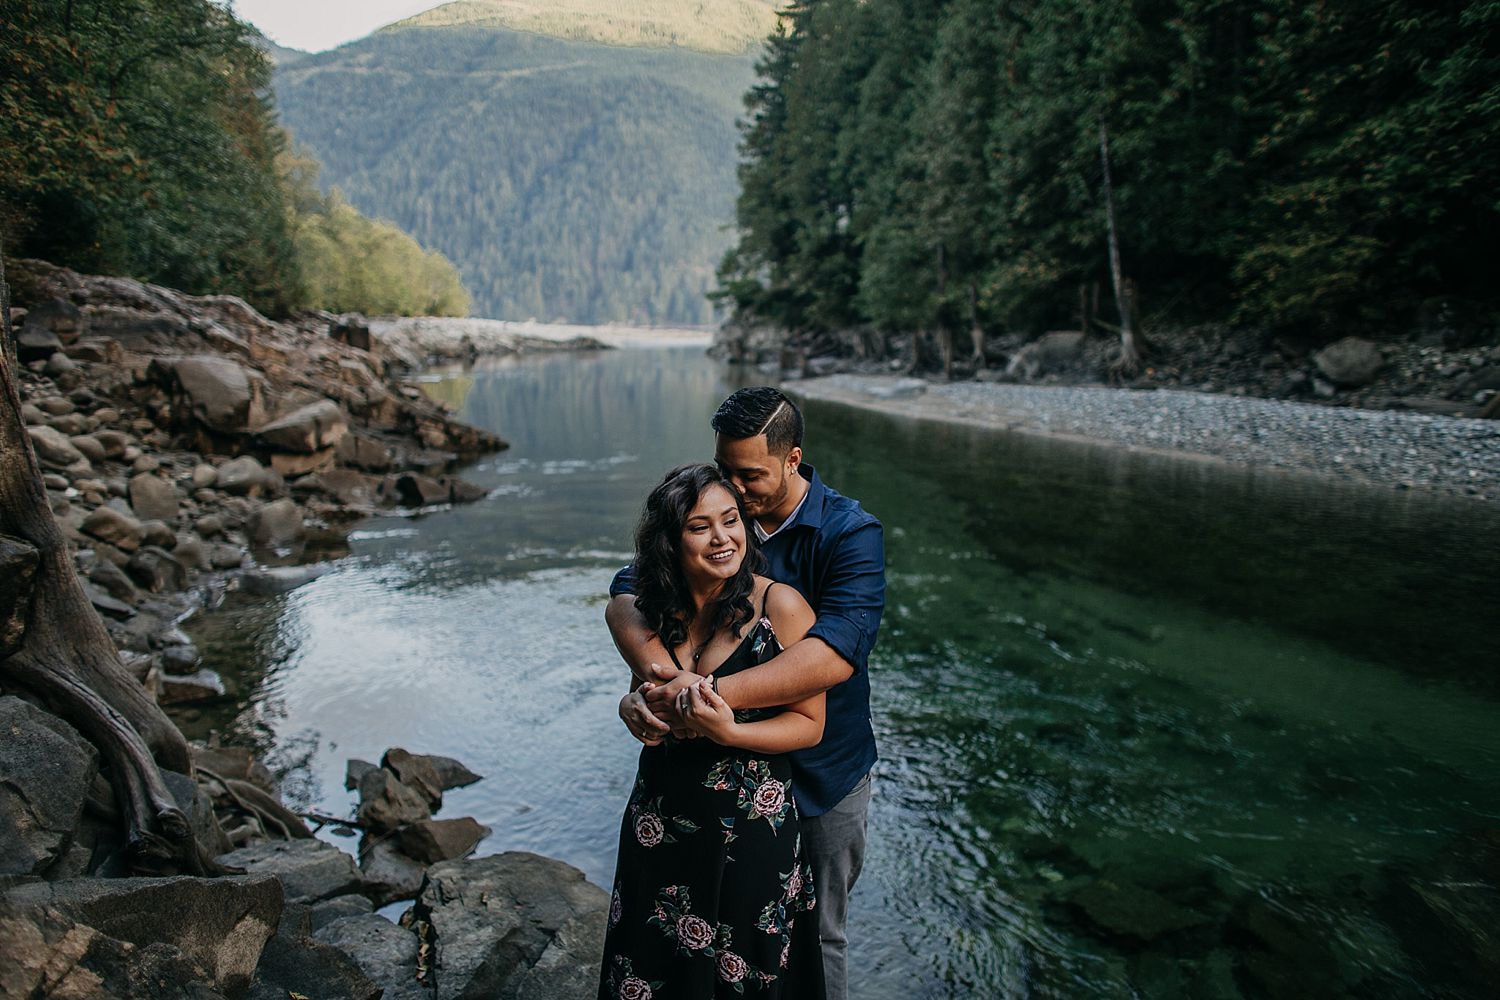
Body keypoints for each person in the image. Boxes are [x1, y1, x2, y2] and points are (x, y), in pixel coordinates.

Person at [608, 388, 885, 1000]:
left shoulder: (848, 533)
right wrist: (654, 684)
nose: (732, 489)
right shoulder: (721, 516)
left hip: (822, 772)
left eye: (749, 476)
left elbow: (834, 653)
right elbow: (631, 590)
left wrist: (700, 697)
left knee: (815, 936)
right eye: (724, 470)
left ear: (793, 460)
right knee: (695, 929)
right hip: (710, 780)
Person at [599, 464, 825, 999]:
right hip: (659, 823)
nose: (723, 538)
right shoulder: (651, 610)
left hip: (751, 831)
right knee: (653, 968)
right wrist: (631, 708)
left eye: (731, 521)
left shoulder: (782, 607)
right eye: (701, 527)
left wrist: (730, 733)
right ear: (669, 540)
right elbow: (646, 696)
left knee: (746, 975)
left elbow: (810, 726)